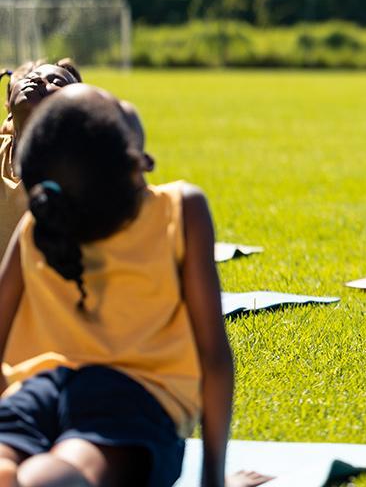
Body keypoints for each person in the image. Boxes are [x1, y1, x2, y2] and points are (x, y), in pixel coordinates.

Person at [0, 85, 243, 487]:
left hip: (38, 389)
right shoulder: (182, 209)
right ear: (138, 163)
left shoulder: (39, 226)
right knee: (80, 464)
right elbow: (213, 357)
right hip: (133, 399)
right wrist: (213, 477)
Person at [1, 61, 82, 250]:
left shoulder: (76, 172)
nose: (37, 79)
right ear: (9, 115)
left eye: (55, 81)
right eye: (29, 77)